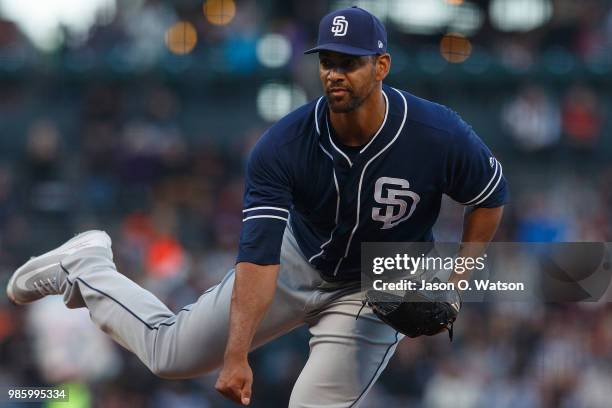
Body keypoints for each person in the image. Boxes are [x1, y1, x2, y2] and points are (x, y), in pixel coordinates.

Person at [6, 6, 507, 407]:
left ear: (381, 67)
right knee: (169, 354)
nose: (335, 73)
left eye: (349, 62)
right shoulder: (283, 144)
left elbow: (489, 195)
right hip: (295, 259)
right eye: (327, 61)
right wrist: (236, 354)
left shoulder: (436, 133)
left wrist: (460, 277)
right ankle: (88, 266)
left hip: (375, 287)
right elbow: (260, 256)